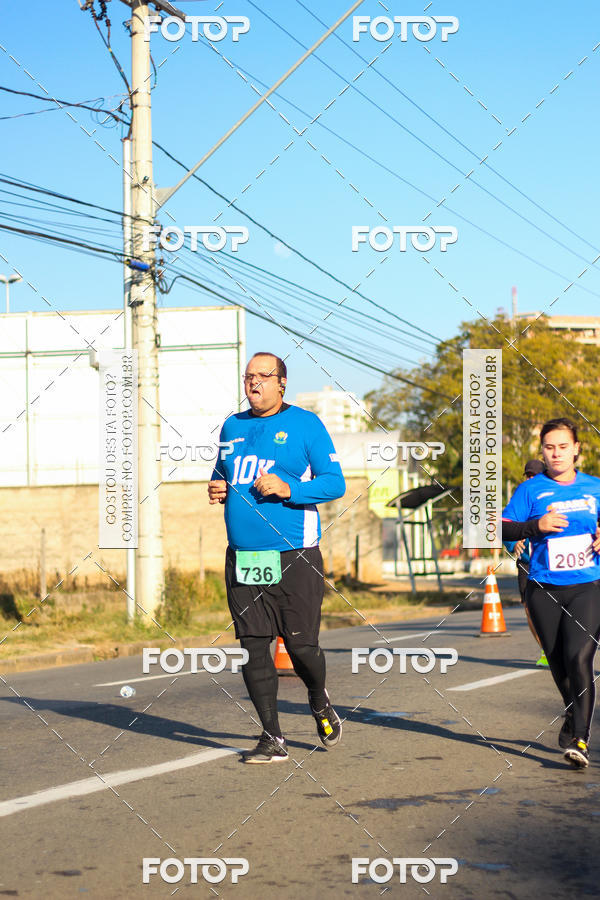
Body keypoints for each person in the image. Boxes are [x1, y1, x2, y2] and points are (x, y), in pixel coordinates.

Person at [208, 352, 346, 763]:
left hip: (294, 555)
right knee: (253, 647)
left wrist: (290, 489)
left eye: (263, 376)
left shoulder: (306, 424)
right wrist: (217, 486)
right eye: (248, 376)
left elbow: (334, 483)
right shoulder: (232, 426)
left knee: (301, 646)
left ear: (281, 383)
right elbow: (222, 471)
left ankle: (318, 699)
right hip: (244, 557)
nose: (254, 383)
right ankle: (272, 737)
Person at [503, 418, 600, 769]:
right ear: (542, 451)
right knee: (558, 662)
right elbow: (501, 529)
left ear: (576, 449)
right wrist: (535, 526)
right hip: (543, 588)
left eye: (563, 446)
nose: (556, 453)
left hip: (589, 586)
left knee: (578, 657)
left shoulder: (594, 487)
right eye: (549, 447)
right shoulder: (530, 490)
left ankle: (581, 740)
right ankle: (573, 712)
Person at [504, 459, 548, 667]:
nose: (530, 479)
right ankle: (546, 650)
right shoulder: (520, 498)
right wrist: (513, 544)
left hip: (548, 563)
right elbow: (506, 526)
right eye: (528, 475)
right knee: (529, 608)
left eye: (534, 475)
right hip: (526, 563)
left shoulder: (549, 497)